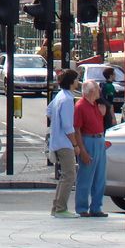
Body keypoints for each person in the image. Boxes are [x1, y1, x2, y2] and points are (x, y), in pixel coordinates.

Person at [47, 69, 81, 218]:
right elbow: (68, 126)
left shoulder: (59, 96)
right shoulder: (67, 100)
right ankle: (61, 208)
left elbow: (48, 111)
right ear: (71, 82)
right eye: (77, 79)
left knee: (64, 176)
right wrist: (75, 144)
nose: (78, 82)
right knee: (69, 175)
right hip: (65, 142)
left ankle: (57, 207)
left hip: (56, 139)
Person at [74, 81, 108, 217]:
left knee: (100, 177)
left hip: (99, 139)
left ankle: (96, 207)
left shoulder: (95, 105)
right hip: (88, 139)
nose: (99, 92)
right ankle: (82, 208)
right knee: (86, 176)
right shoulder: (80, 106)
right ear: (91, 91)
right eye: (97, 90)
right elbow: (77, 129)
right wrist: (82, 151)